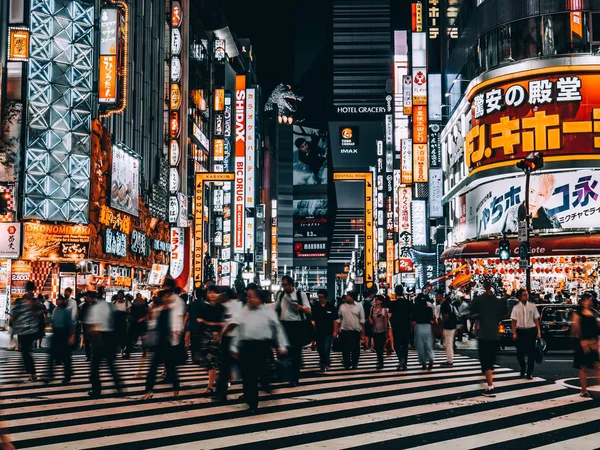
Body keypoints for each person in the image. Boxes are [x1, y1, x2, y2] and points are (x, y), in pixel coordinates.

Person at [231, 287, 289, 414]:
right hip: (246, 345)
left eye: (252, 296)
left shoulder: (268, 311)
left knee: (260, 372)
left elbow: (278, 329)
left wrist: (281, 346)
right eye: (248, 296)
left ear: (259, 299)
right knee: (248, 376)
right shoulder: (245, 310)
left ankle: (265, 385)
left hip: (261, 346)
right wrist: (234, 346)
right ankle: (252, 404)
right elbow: (238, 328)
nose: (249, 299)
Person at [142, 285, 184, 400]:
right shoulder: (158, 310)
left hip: (168, 343)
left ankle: (176, 387)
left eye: (168, 296)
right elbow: (153, 324)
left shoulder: (173, 310)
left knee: (171, 367)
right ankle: (148, 391)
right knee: (153, 369)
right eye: (165, 296)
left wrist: (176, 333)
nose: (166, 298)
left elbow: (178, 324)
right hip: (158, 342)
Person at [470, 279, 508, 397]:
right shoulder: (497, 301)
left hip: (484, 334)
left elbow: (472, 314)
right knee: (491, 360)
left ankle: (490, 387)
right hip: (494, 334)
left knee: (485, 361)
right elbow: (504, 314)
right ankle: (489, 375)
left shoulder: (478, 300)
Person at [275, 275, 311, 386]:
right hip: (283, 325)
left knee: (296, 353)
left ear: (291, 285)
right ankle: (285, 375)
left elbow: (309, 310)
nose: (284, 287)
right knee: (284, 352)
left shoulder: (301, 295)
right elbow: (275, 308)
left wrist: (300, 307)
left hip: (297, 326)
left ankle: (294, 378)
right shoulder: (280, 295)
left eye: (286, 285)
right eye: (283, 285)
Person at [85, 293, 124, 398]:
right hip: (110, 337)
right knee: (111, 364)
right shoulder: (111, 306)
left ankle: (96, 390)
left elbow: (93, 325)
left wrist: (90, 338)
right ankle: (119, 385)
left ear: (94, 299)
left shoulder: (95, 308)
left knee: (94, 367)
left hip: (99, 336)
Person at [11, 281, 44, 381]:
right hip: (26, 330)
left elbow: (14, 315)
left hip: (27, 331)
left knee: (26, 352)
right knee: (26, 352)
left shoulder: (28, 302)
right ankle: (30, 372)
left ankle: (31, 373)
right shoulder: (29, 301)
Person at [214, 288, 243, 402]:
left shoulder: (235, 305)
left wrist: (223, 333)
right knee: (225, 367)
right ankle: (221, 392)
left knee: (228, 367)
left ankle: (221, 393)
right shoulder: (225, 305)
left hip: (234, 339)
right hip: (228, 339)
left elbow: (234, 322)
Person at [197, 285, 225, 396]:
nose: (212, 295)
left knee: (213, 362)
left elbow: (223, 323)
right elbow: (200, 322)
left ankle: (210, 386)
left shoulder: (221, 308)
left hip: (217, 337)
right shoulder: (204, 308)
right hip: (205, 338)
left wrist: (207, 323)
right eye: (210, 292)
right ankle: (215, 382)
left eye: (214, 293)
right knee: (209, 363)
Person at [572, 293, 600, 397]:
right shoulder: (578, 314)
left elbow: (597, 327)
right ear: (583, 302)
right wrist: (580, 341)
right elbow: (576, 329)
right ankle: (583, 390)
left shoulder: (593, 313)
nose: (589, 301)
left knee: (597, 365)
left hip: (593, 342)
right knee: (583, 367)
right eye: (588, 300)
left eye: (590, 300)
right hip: (583, 343)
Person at [43, 295, 75, 384]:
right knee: (52, 355)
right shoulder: (55, 310)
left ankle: (67, 375)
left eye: (59, 300)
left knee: (65, 356)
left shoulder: (66, 311)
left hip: (64, 334)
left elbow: (71, 325)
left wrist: (71, 336)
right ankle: (49, 374)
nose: (57, 301)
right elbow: (53, 321)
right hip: (56, 333)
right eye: (57, 300)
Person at [511, 288, 541, 379]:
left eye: (527, 295)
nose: (526, 296)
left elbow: (536, 319)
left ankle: (529, 372)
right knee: (519, 353)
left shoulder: (532, 306)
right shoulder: (516, 308)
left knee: (531, 353)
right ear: (519, 297)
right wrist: (514, 332)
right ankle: (523, 367)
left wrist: (539, 331)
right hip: (520, 331)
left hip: (531, 331)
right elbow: (513, 321)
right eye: (524, 295)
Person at [334, 290, 365, 370]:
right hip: (344, 330)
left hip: (355, 330)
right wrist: (336, 330)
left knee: (355, 348)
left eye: (348, 296)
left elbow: (362, 319)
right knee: (345, 348)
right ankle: (347, 362)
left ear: (352, 297)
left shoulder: (359, 306)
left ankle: (355, 363)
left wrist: (363, 331)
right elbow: (338, 319)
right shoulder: (342, 306)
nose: (346, 297)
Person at [311, 289, 337, 372]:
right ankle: (322, 361)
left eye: (321, 297)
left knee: (326, 348)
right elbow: (313, 319)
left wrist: (335, 331)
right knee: (320, 348)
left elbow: (335, 320)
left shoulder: (331, 306)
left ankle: (326, 363)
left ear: (325, 297)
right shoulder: (316, 306)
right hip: (318, 331)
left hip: (329, 331)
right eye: (318, 297)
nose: (320, 299)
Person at [389, 285, 412, 370]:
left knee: (397, 344)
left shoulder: (393, 304)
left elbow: (389, 316)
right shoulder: (408, 303)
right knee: (405, 344)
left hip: (396, 326)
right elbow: (411, 315)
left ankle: (401, 358)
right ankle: (405, 362)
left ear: (395, 292)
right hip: (406, 325)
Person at [412, 294, 435, 371]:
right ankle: (431, 357)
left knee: (420, 346)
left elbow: (413, 321)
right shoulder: (429, 309)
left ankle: (424, 363)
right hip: (427, 327)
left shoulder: (415, 308)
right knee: (428, 344)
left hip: (419, 326)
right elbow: (432, 320)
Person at [369, 295, 391, 371]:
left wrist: (387, 332)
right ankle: (379, 360)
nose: (376, 301)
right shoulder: (372, 309)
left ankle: (380, 362)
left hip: (382, 330)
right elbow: (370, 317)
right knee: (377, 347)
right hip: (375, 330)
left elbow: (386, 321)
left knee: (381, 347)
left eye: (377, 300)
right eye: (375, 300)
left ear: (381, 301)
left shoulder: (384, 310)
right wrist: (370, 320)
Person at [125, 293, 148, 358]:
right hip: (135, 322)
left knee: (142, 338)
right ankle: (128, 353)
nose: (138, 301)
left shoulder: (144, 305)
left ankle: (144, 351)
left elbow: (148, 313)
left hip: (140, 323)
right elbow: (129, 312)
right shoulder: (134, 305)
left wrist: (143, 319)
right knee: (130, 338)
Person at [439, 293, 458, 367]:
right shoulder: (450, 305)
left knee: (448, 343)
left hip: (448, 326)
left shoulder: (444, 305)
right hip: (452, 325)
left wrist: (441, 325)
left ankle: (449, 360)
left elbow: (445, 316)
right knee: (449, 343)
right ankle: (449, 359)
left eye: (437, 295)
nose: (437, 297)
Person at [112, 291, 131, 358]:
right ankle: (114, 352)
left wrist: (125, 314)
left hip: (123, 321)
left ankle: (122, 352)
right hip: (116, 322)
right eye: (119, 295)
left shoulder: (126, 302)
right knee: (115, 337)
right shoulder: (114, 302)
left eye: (121, 295)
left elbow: (129, 312)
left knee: (123, 336)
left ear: (123, 295)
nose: (120, 296)